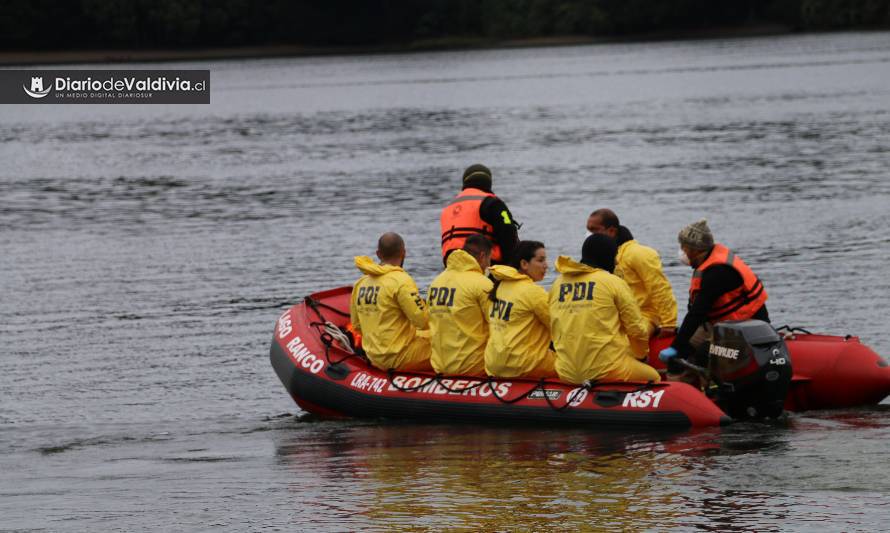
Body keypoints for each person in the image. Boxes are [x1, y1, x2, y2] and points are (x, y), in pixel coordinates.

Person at [549, 234, 661, 385]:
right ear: (607, 256)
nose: (615, 261)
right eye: (614, 256)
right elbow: (636, 328)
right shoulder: (612, 282)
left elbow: (553, 328)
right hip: (608, 370)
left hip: (566, 372)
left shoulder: (557, 284)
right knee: (654, 377)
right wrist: (641, 356)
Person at [659, 219, 769, 368]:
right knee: (683, 353)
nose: (682, 251)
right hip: (723, 325)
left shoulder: (717, 273)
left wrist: (676, 347)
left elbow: (697, 313)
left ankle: (713, 388)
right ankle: (686, 381)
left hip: (745, 327)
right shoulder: (709, 261)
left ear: (695, 249)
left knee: (704, 353)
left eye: (683, 247)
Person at [587, 208, 677, 339]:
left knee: (627, 339)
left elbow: (659, 288)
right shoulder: (603, 256)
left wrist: (669, 323)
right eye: (589, 230)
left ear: (611, 231)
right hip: (616, 317)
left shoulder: (638, 253)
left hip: (643, 316)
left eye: (594, 230)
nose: (589, 235)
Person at [350, 232, 432, 372]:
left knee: (424, 335)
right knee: (446, 342)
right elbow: (423, 321)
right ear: (404, 253)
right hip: (400, 357)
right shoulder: (401, 281)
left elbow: (357, 326)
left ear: (378, 254)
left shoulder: (360, 283)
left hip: (374, 356)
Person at [484, 241, 557, 379]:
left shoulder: (499, 287)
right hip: (524, 365)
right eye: (541, 260)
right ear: (524, 264)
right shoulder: (533, 292)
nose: (546, 265)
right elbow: (560, 327)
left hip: (493, 363)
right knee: (572, 363)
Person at [428, 235, 494, 376]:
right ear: (482, 256)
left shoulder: (437, 281)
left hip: (440, 365)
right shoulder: (482, 283)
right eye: (489, 259)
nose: (489, 265)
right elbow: (499, 325)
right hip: (474, 367)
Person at [440, 163, 519, 265]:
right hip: (485, 265)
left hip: (452, 266)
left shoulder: (447, 209)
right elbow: (509, 233)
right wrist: (513, 266)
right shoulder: (492, 203)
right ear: (488, 183)